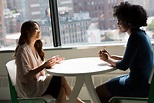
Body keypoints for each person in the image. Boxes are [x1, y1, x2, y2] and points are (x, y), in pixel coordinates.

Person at [95, 1, 154, 103]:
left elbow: (123, 65)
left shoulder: (134, 38)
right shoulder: (142, 35)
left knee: (99, 91)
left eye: (120, 20)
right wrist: (111, 57)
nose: (118, 23)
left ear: (128, 21)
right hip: (144, 83)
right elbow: (131, 59)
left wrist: (107, 59)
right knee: (110, 89)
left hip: (137, 86)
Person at [14, 20, 84, 103]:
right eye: (36, 29)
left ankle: (77, 101)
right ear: (27, 31)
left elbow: (40, 67)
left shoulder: (36, 47)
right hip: (30, 88)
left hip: (39, 83)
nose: (39, 31)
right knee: (59, 78)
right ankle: (78, 101)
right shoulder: (22, 50)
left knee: (61, 89)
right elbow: (25, 76)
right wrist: (44, 66)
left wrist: (51, 62)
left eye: (39, 28)